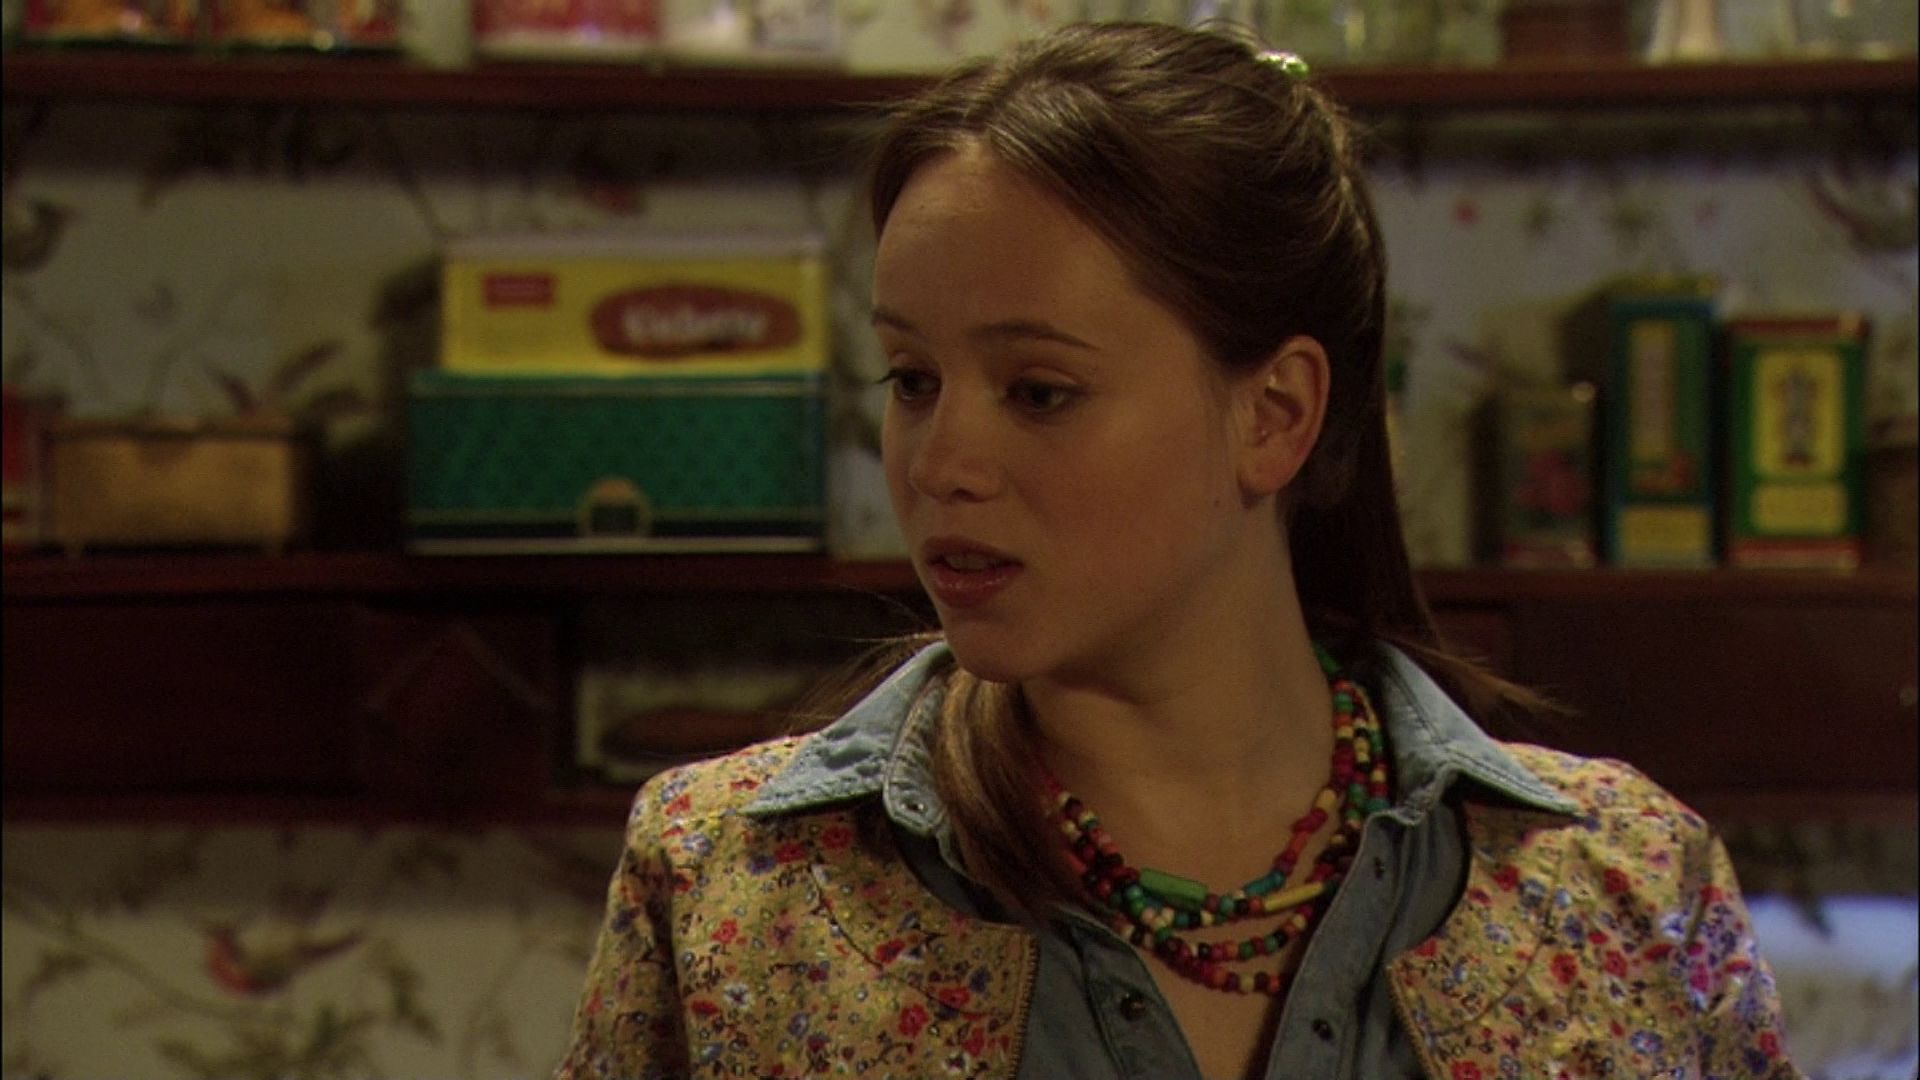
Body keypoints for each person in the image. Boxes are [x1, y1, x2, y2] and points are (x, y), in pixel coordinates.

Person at [555, 20, 1803, 1080]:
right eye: (913, 379)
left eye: (1039, 391)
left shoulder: (1628, 886)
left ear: (1273, 416)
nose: (940, 463)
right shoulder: (734, 885)